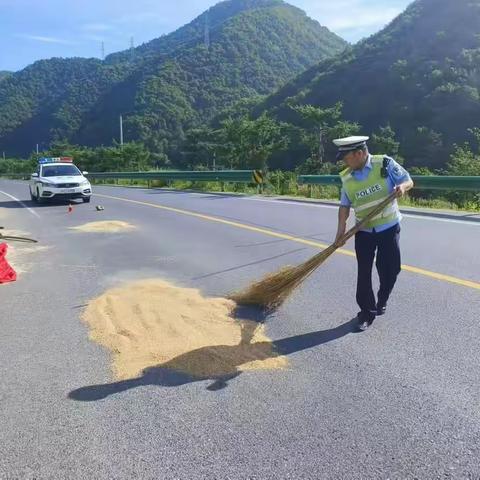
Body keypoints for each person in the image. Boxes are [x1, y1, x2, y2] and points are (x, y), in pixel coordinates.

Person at [333, 136, 414, 331]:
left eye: (347, 158)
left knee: (391, 269)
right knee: (364, 273)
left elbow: (408, 180)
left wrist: (402, 187)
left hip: (388, 228)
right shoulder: (346, 177)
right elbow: (344, 206)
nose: (345, 162)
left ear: (359, 153)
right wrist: (340, 232)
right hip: (364, 232)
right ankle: (366, 313)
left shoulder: (384, 163)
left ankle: (382, 299)